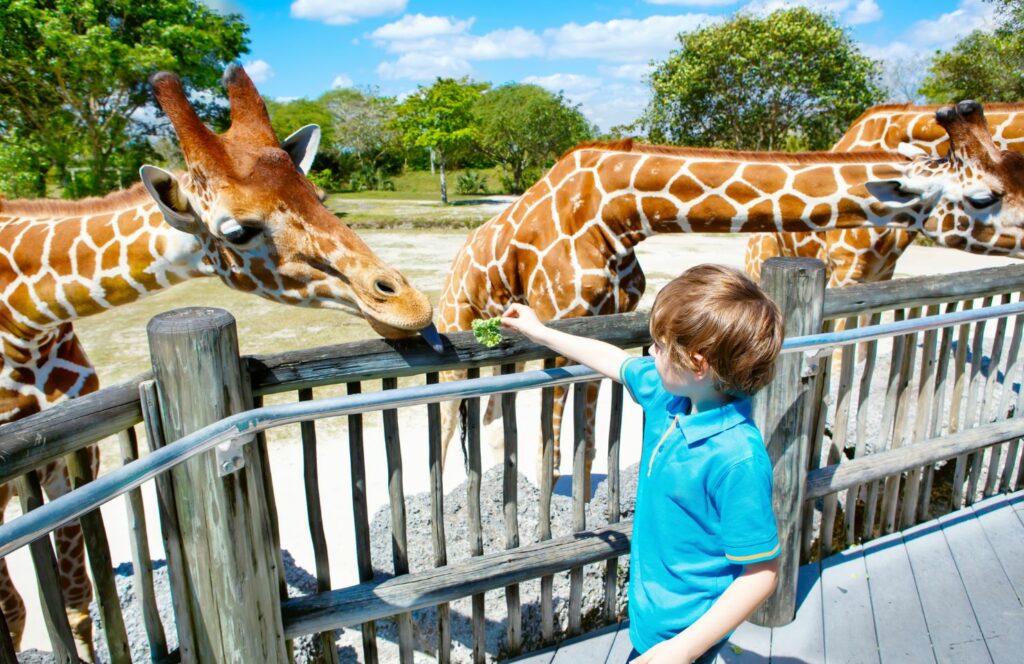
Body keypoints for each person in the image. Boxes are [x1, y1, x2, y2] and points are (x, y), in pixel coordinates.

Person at [501, 264, 784, 664]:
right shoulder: (671, 397)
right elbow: (612, 359)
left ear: (697, 364)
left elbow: (763, 572)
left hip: (685, 636)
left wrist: (684, 649)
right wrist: (540, 331)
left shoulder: (737, 458)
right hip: (651, 622)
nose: (651, 353)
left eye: (660, 346)